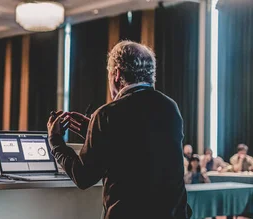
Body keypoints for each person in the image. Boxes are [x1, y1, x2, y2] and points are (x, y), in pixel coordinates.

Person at [47, 41, 190, 218]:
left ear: (116, 74)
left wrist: (56, 142)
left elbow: (83, 177)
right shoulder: (170, 107)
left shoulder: (108, 114)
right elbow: (138, 147)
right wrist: (91, 130)